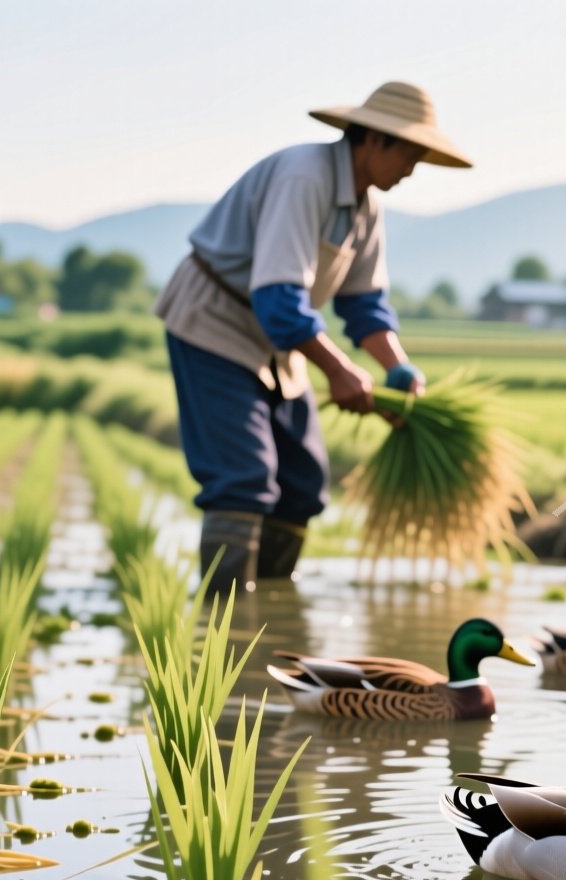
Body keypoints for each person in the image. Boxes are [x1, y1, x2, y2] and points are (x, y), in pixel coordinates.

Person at [154, 81, 471, 598]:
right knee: (243, 475)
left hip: (281, 342)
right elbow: (278, 296)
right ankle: (225, 622)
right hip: (217, 322)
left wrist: (397, 367)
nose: (412, 169)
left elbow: (363, 303)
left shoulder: (366, 207)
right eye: (410, 155)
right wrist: (341, 371)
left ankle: (271, 609)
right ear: (375, 140)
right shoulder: (305, 177)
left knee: (301, 482)